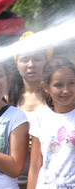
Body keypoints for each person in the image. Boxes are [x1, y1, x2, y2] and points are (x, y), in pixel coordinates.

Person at [6, 31, 53, 188]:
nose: (31, 65)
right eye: (24, 59)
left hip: (49, 179)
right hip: (11, 179)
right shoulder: (8, 101)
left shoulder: (60, 100)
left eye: (37, 59)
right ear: (17, 63)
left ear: (47, 61)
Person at [27, 57, 75, 188]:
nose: (66, 90)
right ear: (45, 87)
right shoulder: (40, 118)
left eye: (71, 83)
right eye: (59, 85)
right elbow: (35, 167)